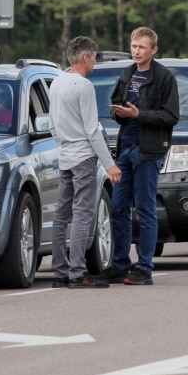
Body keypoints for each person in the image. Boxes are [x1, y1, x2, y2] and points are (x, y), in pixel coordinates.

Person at [98, 27, 179, 286]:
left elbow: (171, 116)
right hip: (126, 148)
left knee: (145, 208)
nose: (136, 51)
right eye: (134, 46)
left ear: (154, 50)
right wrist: (119, 113)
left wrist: (139, 115)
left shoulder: (164, 78)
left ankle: (144, 267)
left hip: (148, 151)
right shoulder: (127, 73)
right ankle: (120, 264)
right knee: (119, 207)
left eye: (142, 47)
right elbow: (115, 104)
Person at [49, 36, 122, 289]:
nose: (95, 60)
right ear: (85, 57)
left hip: (65, 156)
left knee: (61, 215)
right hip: (83, 158)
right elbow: (92, 130)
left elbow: (52, 126)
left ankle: (59, 272)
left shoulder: (56, 83)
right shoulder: (84, 86)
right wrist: (110, 163)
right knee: (82, 214)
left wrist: (65, 145)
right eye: (94, 55)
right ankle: (78, 273)